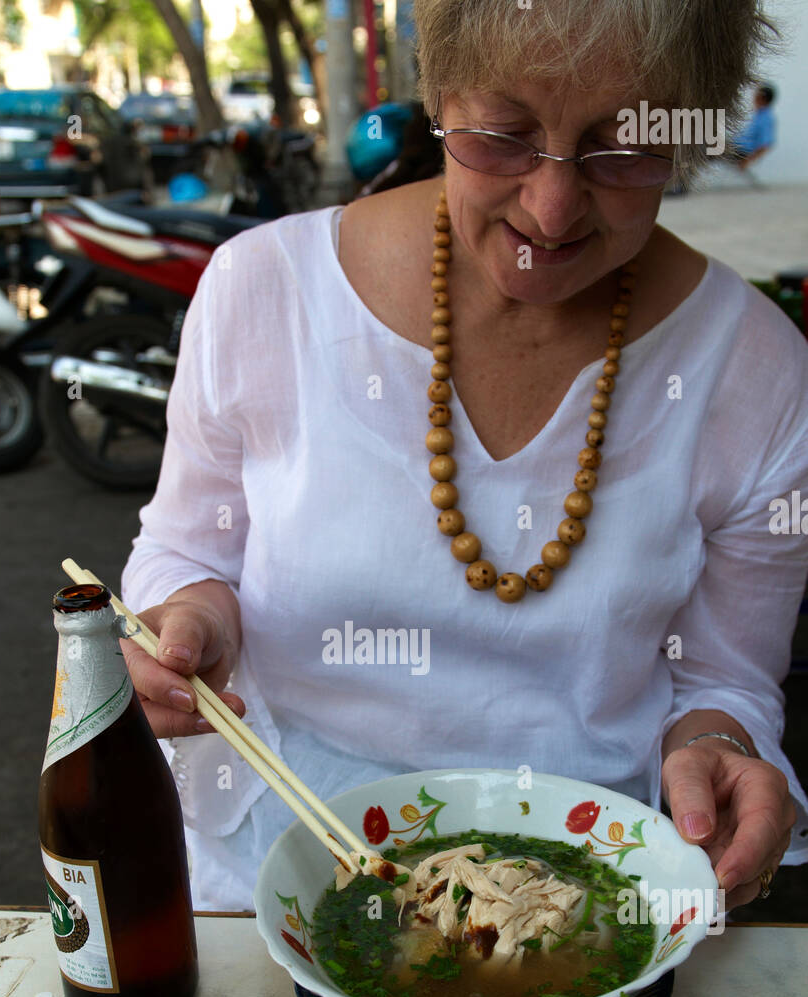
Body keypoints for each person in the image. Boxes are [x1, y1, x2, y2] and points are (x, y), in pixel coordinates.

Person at [121, 0, 808, 915]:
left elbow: (724, 679)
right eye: (502, 134)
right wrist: (187, 618)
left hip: (585, 890)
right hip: (276, 869)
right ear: (438, 98)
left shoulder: (753, 367)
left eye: (623, 148)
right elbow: (186, 550)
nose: (552, 208)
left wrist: (722, 752)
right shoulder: (264, 288)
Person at [733, 83, 777, 170]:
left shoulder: (766, 118)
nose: (753, 98)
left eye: (756, 95)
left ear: (762, 98)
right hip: (735, 148)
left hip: (741, 153)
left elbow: (766, 145)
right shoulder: (759, 115)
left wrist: (747, 161)